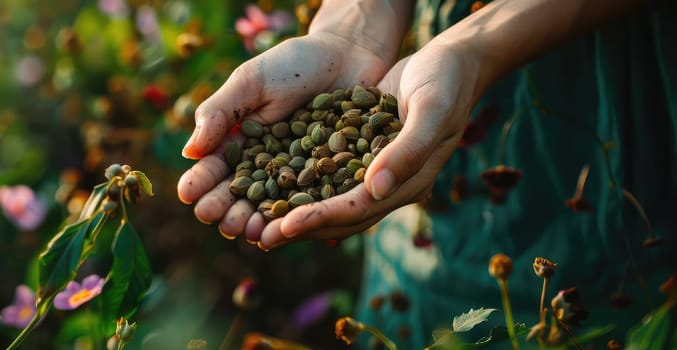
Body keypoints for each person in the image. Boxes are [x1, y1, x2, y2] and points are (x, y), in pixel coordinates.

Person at [178, 0, 676, 348]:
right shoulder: (353, 120)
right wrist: (350, 27)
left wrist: (474, 47)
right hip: (432, 69)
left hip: (613, 94)